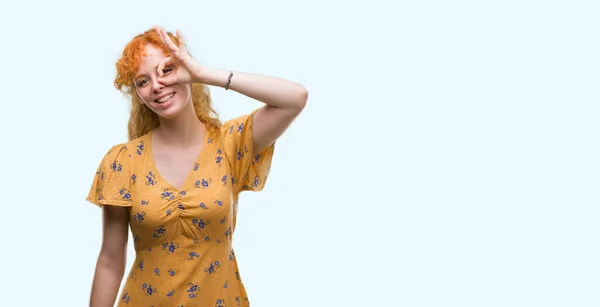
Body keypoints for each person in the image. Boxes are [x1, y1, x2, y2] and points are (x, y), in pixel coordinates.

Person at [85, 26, 307, 307]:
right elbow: (110, 260)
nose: (156, 85)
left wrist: (203, 74)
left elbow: (294, 99)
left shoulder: (231, 144)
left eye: (166, 70)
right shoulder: (122, 161)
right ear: (137, 94)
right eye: (142, 81)